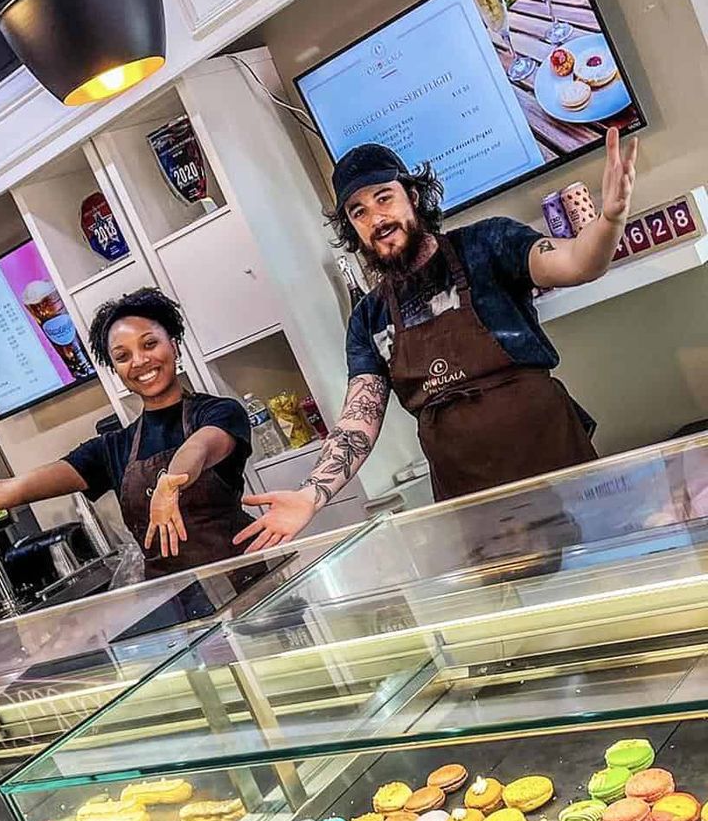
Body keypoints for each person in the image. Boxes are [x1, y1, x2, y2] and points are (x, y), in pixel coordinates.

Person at [235, 128, 638, 553]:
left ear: (412, 195)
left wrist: (609, 221)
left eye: (384, 198)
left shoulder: (487, 245)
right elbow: (358, 421)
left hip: (561, 473)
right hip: (476, 509)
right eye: (358, 212)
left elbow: (576, 263)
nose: (376, 219)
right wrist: (310, 495)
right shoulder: (368, 318)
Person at [0, 288, 253, 581]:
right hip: (179, 601)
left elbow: (201, 448)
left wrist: (171, 482)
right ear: (114, 369)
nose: (140, 361)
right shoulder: (111, 449)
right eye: (122, 356)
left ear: (175, 346)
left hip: (250, 583)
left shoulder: (217, 413)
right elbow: (13, 490)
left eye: (150, 344)